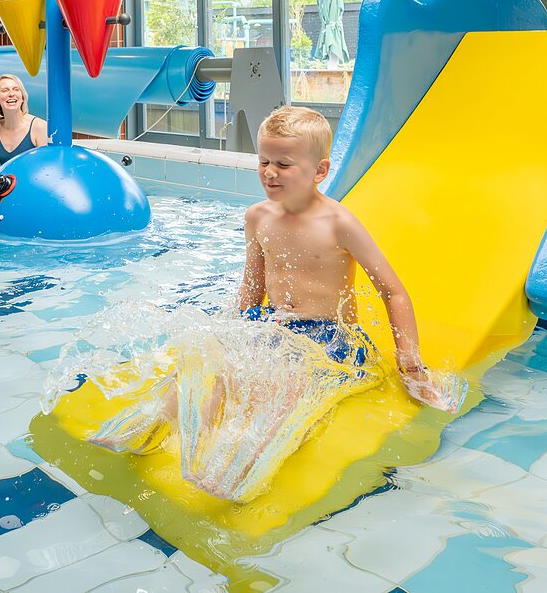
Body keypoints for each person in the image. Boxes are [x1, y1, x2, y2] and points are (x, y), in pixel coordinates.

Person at [87, 105, 458, 502]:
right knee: (211, 368)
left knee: (281, 388)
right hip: (274, 324)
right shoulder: (257, 216)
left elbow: (393, 291)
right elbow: (252, 289)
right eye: (263, 161)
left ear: (319, 171)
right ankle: (152, 424)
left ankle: (240, 464)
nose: (269, 172)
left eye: (283, 164)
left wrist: (410, 361)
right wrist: (228, 333)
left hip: (330, 338)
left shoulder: (339, 223)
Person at [0, 74, 47, 172]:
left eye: (16, 89)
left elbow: (46, 171)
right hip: (5, 185)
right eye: (5, 90)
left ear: (22, 98)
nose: (11, 94)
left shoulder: (40, 127)